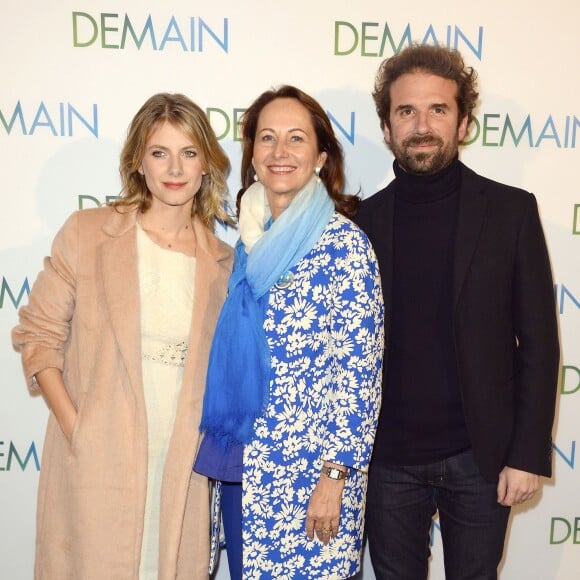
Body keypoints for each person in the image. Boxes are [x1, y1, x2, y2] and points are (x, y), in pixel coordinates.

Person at [355, 44, 560, 579]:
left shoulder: (511, 211)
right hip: (387, 460)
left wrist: (526, 453)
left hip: (481, 455)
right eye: (406, 111)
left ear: (464, 121)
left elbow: (539, 344)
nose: (422, 125)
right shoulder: (358, 224)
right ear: (386, 127)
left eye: (438, 110)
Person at [12, 93, 234, 579]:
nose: (174, 167)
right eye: (159, 152)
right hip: (100, 454)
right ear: (138, 161)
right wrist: (79, 428)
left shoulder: (224, 263)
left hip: (183, 460)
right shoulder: (88, 234)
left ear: (206, 166)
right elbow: (38, 336)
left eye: (189, 152)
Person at [193, 85, 384, 579]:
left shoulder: (345, 247)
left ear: (320, 157)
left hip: (310, 482)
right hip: (242, 469)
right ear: (252, 155)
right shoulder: (244, 244)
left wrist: (335, 476)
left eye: (296, 139)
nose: (280, 152)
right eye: (267, 138)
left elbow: (359, 377)